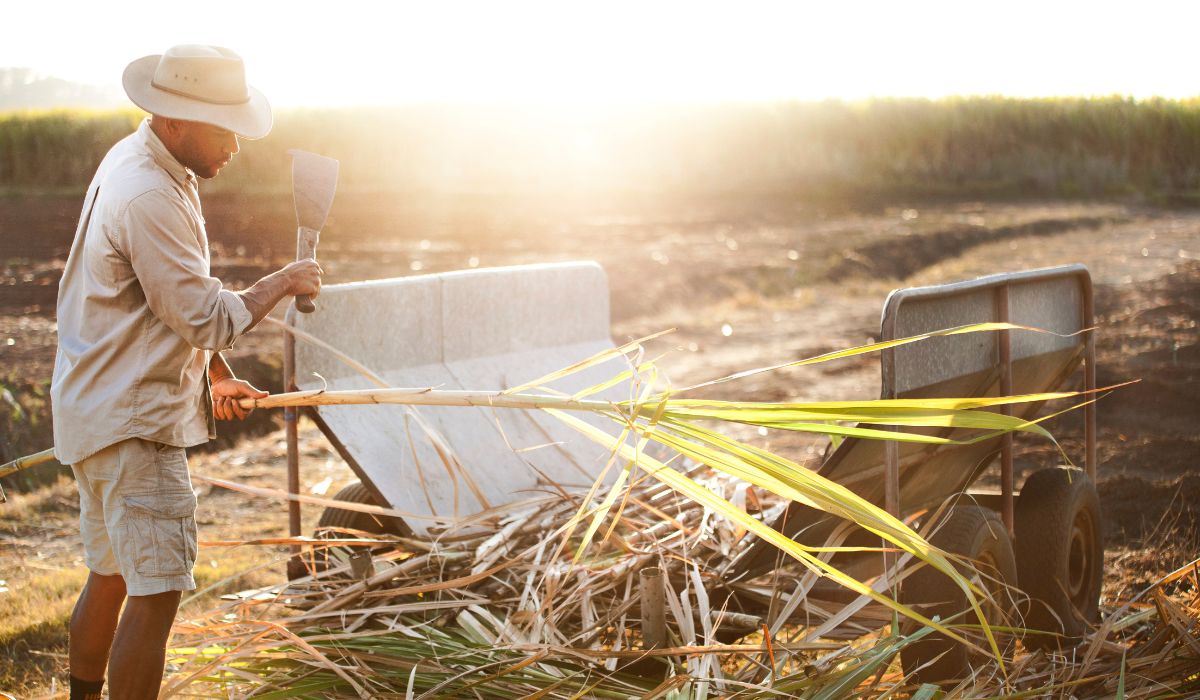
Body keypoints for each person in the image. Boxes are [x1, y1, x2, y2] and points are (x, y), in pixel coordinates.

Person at [50, 45, 323, 700]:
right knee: (158, 590)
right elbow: (205, 317)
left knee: (112, 574)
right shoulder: (149, 194)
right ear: (173, 119)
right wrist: (284, 281)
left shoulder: (142, 160)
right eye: (222, 126)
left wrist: (217, 375)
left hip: (97, 409)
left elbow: (168, 302)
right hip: (135, 428)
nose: (235, 144)